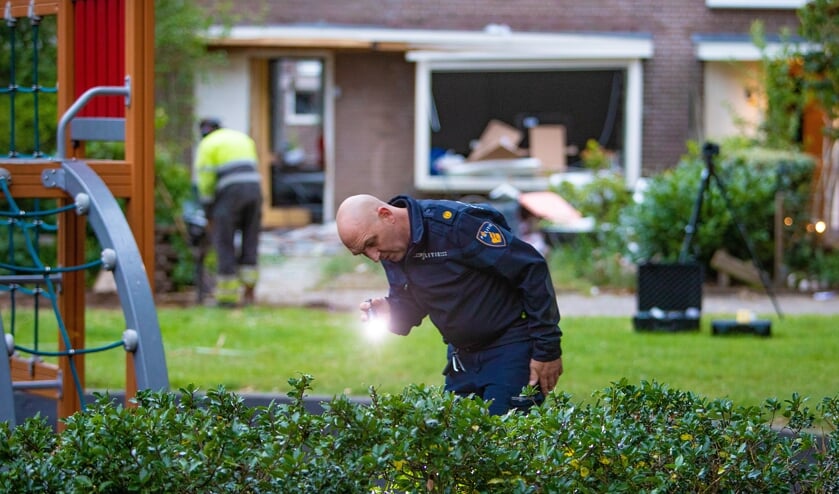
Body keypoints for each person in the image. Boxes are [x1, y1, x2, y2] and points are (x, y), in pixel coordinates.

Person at [335, 194, 563, 415]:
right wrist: (389, 311)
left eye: (371, 243)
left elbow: (531, 268)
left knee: (503, 444)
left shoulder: (456, 225)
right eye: (363, 252)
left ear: (386, 215)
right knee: (456, 446)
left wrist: (547, 350)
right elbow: (411, 306)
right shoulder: (392, 250)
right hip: (461, 360)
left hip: (509, 350)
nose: (374, 256)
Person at [194, 118, 263, 307]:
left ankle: (227, 298)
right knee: (250, 238)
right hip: (254, 191)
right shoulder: (242, 138)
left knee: (224, 241)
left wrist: (208, 211)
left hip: (230, 194)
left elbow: (206, 182)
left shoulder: (208, 144)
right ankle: (250, 293)